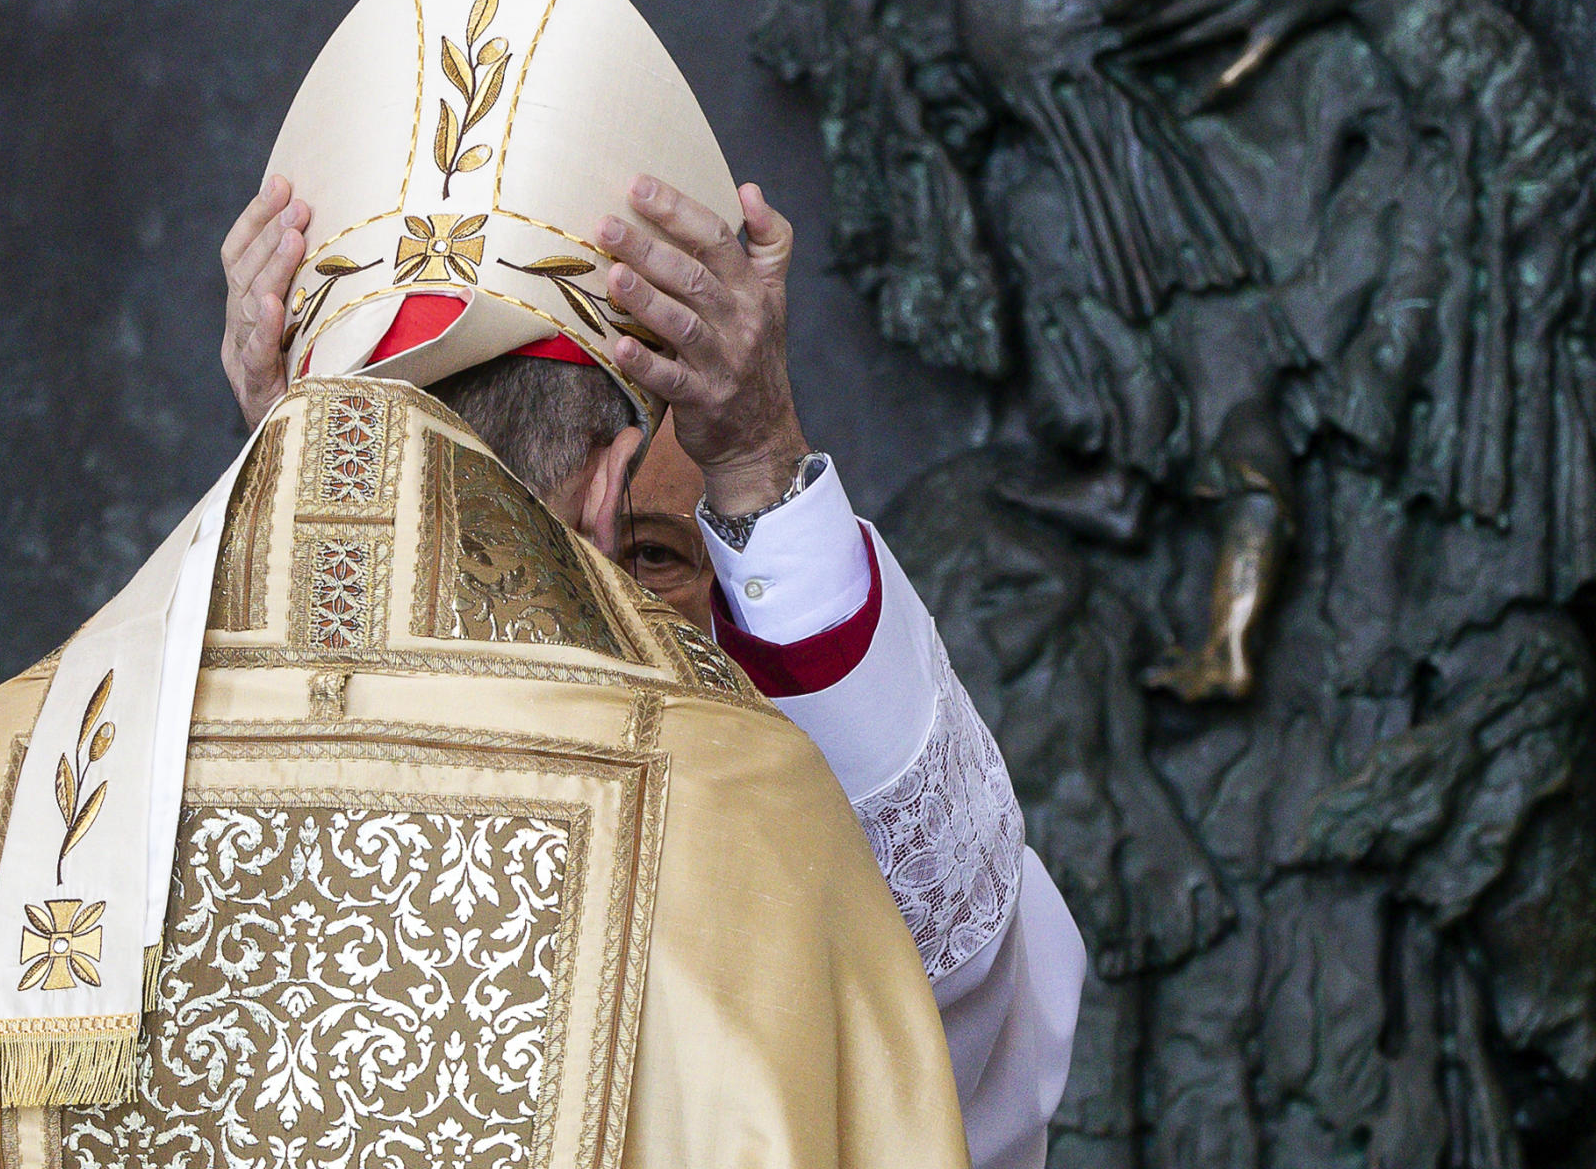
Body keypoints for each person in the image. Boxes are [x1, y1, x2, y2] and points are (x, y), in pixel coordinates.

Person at [0, 0, 1000, 1169]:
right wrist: (758, 455)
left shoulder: (10, 783)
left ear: (297, 428)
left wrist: (296, 450)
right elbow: (961, 1051)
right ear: (609, 482)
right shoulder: (734, 809)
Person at [212, 74, 1084, 1169]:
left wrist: (763, 465)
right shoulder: (207, 770)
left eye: (659, 555)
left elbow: (946, 1012)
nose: (586, 589)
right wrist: (304, 462)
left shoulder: (739, 822)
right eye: (484, 523)